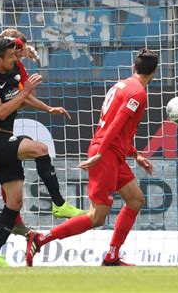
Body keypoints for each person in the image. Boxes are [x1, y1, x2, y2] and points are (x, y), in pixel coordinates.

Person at [25, 48, 157, 267]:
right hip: (105, 153)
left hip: (113, 152)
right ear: (154, 72)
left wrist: (135, 154)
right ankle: (40, 239)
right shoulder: (138, 93)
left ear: (134, 67)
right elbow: (115, 126)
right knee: (97, 217)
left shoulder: (122, 85)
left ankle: (112, 255)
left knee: (135, 200)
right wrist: (101, 153)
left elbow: (116, 127)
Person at [0, 38, 84, 266]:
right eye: (11, 56)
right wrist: (25, 90)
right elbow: (0, 111)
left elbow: (23, 99)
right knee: (40, 148)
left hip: (5, 136)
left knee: (14, 202)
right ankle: (59, 204)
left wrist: (48, 108)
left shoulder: (14, 69)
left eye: (16, 55)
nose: (16, 59)